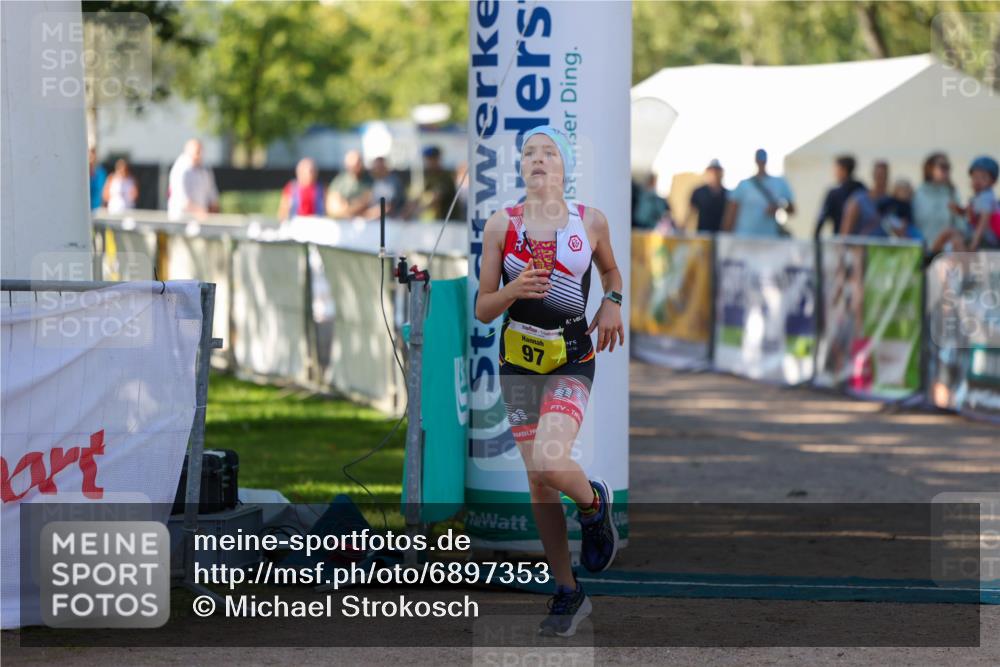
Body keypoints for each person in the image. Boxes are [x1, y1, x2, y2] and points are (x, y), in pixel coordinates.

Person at [475, 125, 623, 637]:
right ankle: (567, 590)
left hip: (570, 359)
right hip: (518, 363)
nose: (537, 159)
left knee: (550, 462)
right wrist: (512, 289)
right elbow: (484, 308)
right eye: (529, 153)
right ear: (520, 167)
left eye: (549, 153)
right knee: (538, 480)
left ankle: (594, 503)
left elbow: (612, 273)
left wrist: (612, 303)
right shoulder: (502, 225)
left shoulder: (590, 221)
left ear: (565, 167)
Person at [723, 148, 795, 237]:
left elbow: (792, 209)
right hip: (744, 238)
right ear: (756, 160)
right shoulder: (743, 185)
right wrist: (726, 237)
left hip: (769, 238)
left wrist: (779, 206)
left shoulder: (779, 183)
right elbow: (731, 213)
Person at [933, 156, 999, 252]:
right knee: (948, 232)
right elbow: (968, 213)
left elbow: (983, 222)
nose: (978, 181)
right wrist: (958, 209)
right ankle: (931, 255)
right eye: (975, 177)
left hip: (987, 241)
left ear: (993, 181)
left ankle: (932, 256)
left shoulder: (986, 197)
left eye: (983, 177)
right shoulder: (978, 197)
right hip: (977, 236)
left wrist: (974, 243)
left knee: (956, 241)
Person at [913, 152, 962, 245]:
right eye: (943, 167)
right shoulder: (917, 194)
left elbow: (961, 227)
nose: (946, 170)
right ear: (930, 169)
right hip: (922, 248)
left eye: (948, 167)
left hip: (945, 250)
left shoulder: (952, 194)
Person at [167, 139, 219, 220]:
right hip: (181, 219)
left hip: (200, 221)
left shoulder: (205, 170)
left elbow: (212, 197)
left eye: (201, 152)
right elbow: (183, 201)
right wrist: (203, 214)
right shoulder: (180, 169)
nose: (200, 155)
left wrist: (212, 214)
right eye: (197, 152)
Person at [814, 155, 865, 238]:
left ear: (843, 170)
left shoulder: (834, 193)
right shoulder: (862, 189)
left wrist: (816, 239)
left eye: (836, 170)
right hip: (861, 241)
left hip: (840, 240)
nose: (834, 173)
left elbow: (821, 219)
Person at [410, 146, 458, 221]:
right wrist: (408, 210)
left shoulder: (446, 177)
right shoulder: (430, 176)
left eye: (432, 159)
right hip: (439, 220)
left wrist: (417, 211)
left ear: (438, 159)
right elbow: (419, 196)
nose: (429, 162)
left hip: (450, 220)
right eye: (427, 159)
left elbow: (436, 197)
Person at [326, 150, 372, 219]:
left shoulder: (369, 180)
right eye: (352, 165)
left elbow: (368, 202)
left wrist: (348, 207)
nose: (355, 167)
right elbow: (332, 208)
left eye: (357, 164)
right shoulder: (339, 181)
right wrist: (356, 207)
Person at [686, 159, 728, 234]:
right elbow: (690, 212)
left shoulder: (728, 194)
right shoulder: (699, 192)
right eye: (712, 171)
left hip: (720, 235)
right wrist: (682, 230)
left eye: (717, 171)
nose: (714, 174)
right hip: (702, 234)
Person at [88, 146, 107, 211]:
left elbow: (103, 190)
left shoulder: (101, 172)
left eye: (92, 155)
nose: (90, 158)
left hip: (97, 208)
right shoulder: (83, 173)